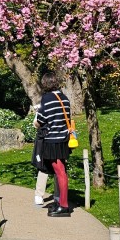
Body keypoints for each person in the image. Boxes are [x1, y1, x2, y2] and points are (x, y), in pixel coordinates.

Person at [34, 72, 73, 217]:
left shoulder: (47, 98)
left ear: (45, 84)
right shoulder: (64, 98)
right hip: (63, 139)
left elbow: (42, 120)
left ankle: (63, 205)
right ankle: (61, 201)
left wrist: (38, 113)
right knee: (61, 170)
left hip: (52, 140)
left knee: (60, 172)